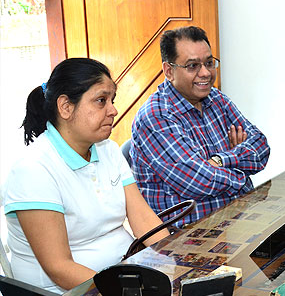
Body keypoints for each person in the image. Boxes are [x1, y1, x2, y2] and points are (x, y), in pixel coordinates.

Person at [2, 58, 169, 293]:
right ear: (66, 107)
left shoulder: (108, 150)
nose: (113, 110)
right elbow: (59, 268)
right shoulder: (34, 169)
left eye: (112, 100)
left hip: (121, 277)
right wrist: (125, 290)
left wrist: (174, 261)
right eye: (101, 101)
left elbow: (144, 220)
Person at [131, 26, 270, 228]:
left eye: (209, 63)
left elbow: (261, 147)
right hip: (187, 237)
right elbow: (198, 181)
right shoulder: (156, 116)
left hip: (235, 218)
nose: (205, 73)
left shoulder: (216, 98)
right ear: (169, 71)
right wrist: (243, 170)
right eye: (192, 66)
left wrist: (220, 160)